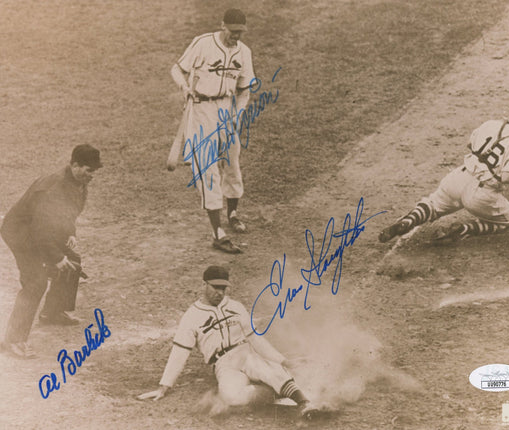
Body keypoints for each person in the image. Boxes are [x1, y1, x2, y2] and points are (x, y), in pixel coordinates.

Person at [138, 266, 319, 420]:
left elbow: (255, 338)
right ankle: (274, 390)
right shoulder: (192, 316)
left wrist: (283, 361)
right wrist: (164, 387)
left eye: (224, 288)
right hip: (223, 364)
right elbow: (180, 352)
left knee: (266, 367)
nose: (220, 292)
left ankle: (304, 403)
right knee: (231, 397)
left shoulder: (236, 307)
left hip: (245, 352)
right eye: (215, 287)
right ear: (204, 285)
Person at [0, 144, 103, 359]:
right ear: (74, 165)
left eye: (95, 170)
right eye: (88, 169)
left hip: (40, 230)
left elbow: (67, 213)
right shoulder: (53, 189)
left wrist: (70, 233)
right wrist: (56, 258)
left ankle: (52, 312)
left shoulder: (77, 182)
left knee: (72, 260)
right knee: (36, 281)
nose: (92, 175)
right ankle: (14, 340)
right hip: (22, 234)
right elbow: (40, 229)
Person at [379, 102, 509, 244]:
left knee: (432, 204)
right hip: (482, 194)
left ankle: (408, 221)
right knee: (507, 220)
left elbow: (470, 144)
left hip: (459, 177)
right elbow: (507, 177)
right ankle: (464, 229)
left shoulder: (492, 124)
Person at [170, 8, 256, 254]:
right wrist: (185, 87)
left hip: (226, 109)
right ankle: (217, 232)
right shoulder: (202, 43)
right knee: (207, 170)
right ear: (222, 26)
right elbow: (177, 69)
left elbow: (244, 89)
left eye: (240, 33)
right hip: (199, 110)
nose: (236, 37)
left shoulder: (244, 52)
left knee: (232, 164)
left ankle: (233, 213)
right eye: (232, 32)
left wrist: (238, 114)